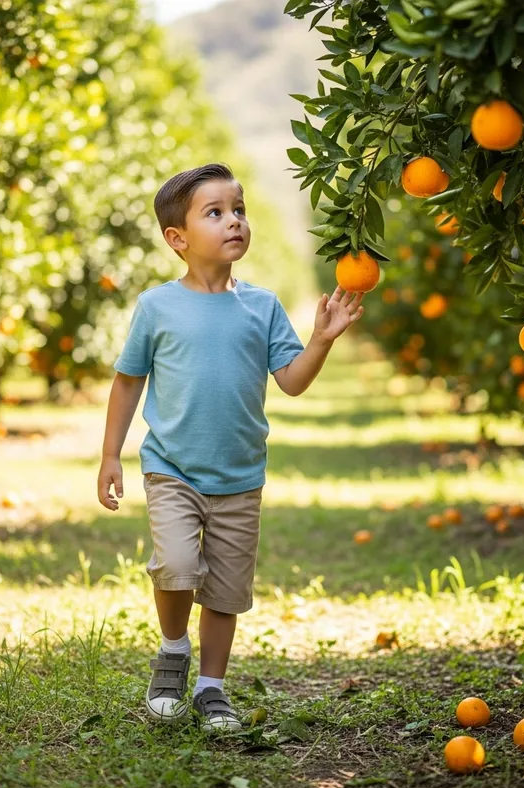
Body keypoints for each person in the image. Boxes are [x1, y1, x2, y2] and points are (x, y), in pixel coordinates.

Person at [96, 163, 364, 732]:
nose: (234, 221)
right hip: (171, 468)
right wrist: (109, 454)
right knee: (175, 564)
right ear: (179, 238)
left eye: (239, 209)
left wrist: (321, 338)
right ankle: (172, 652)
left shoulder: (261, 306)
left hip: (240, 476)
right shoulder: (157, 306)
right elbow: (128, 380)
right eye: (215, 212)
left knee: (225, 589)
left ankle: (211, 687)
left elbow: (290, 380)